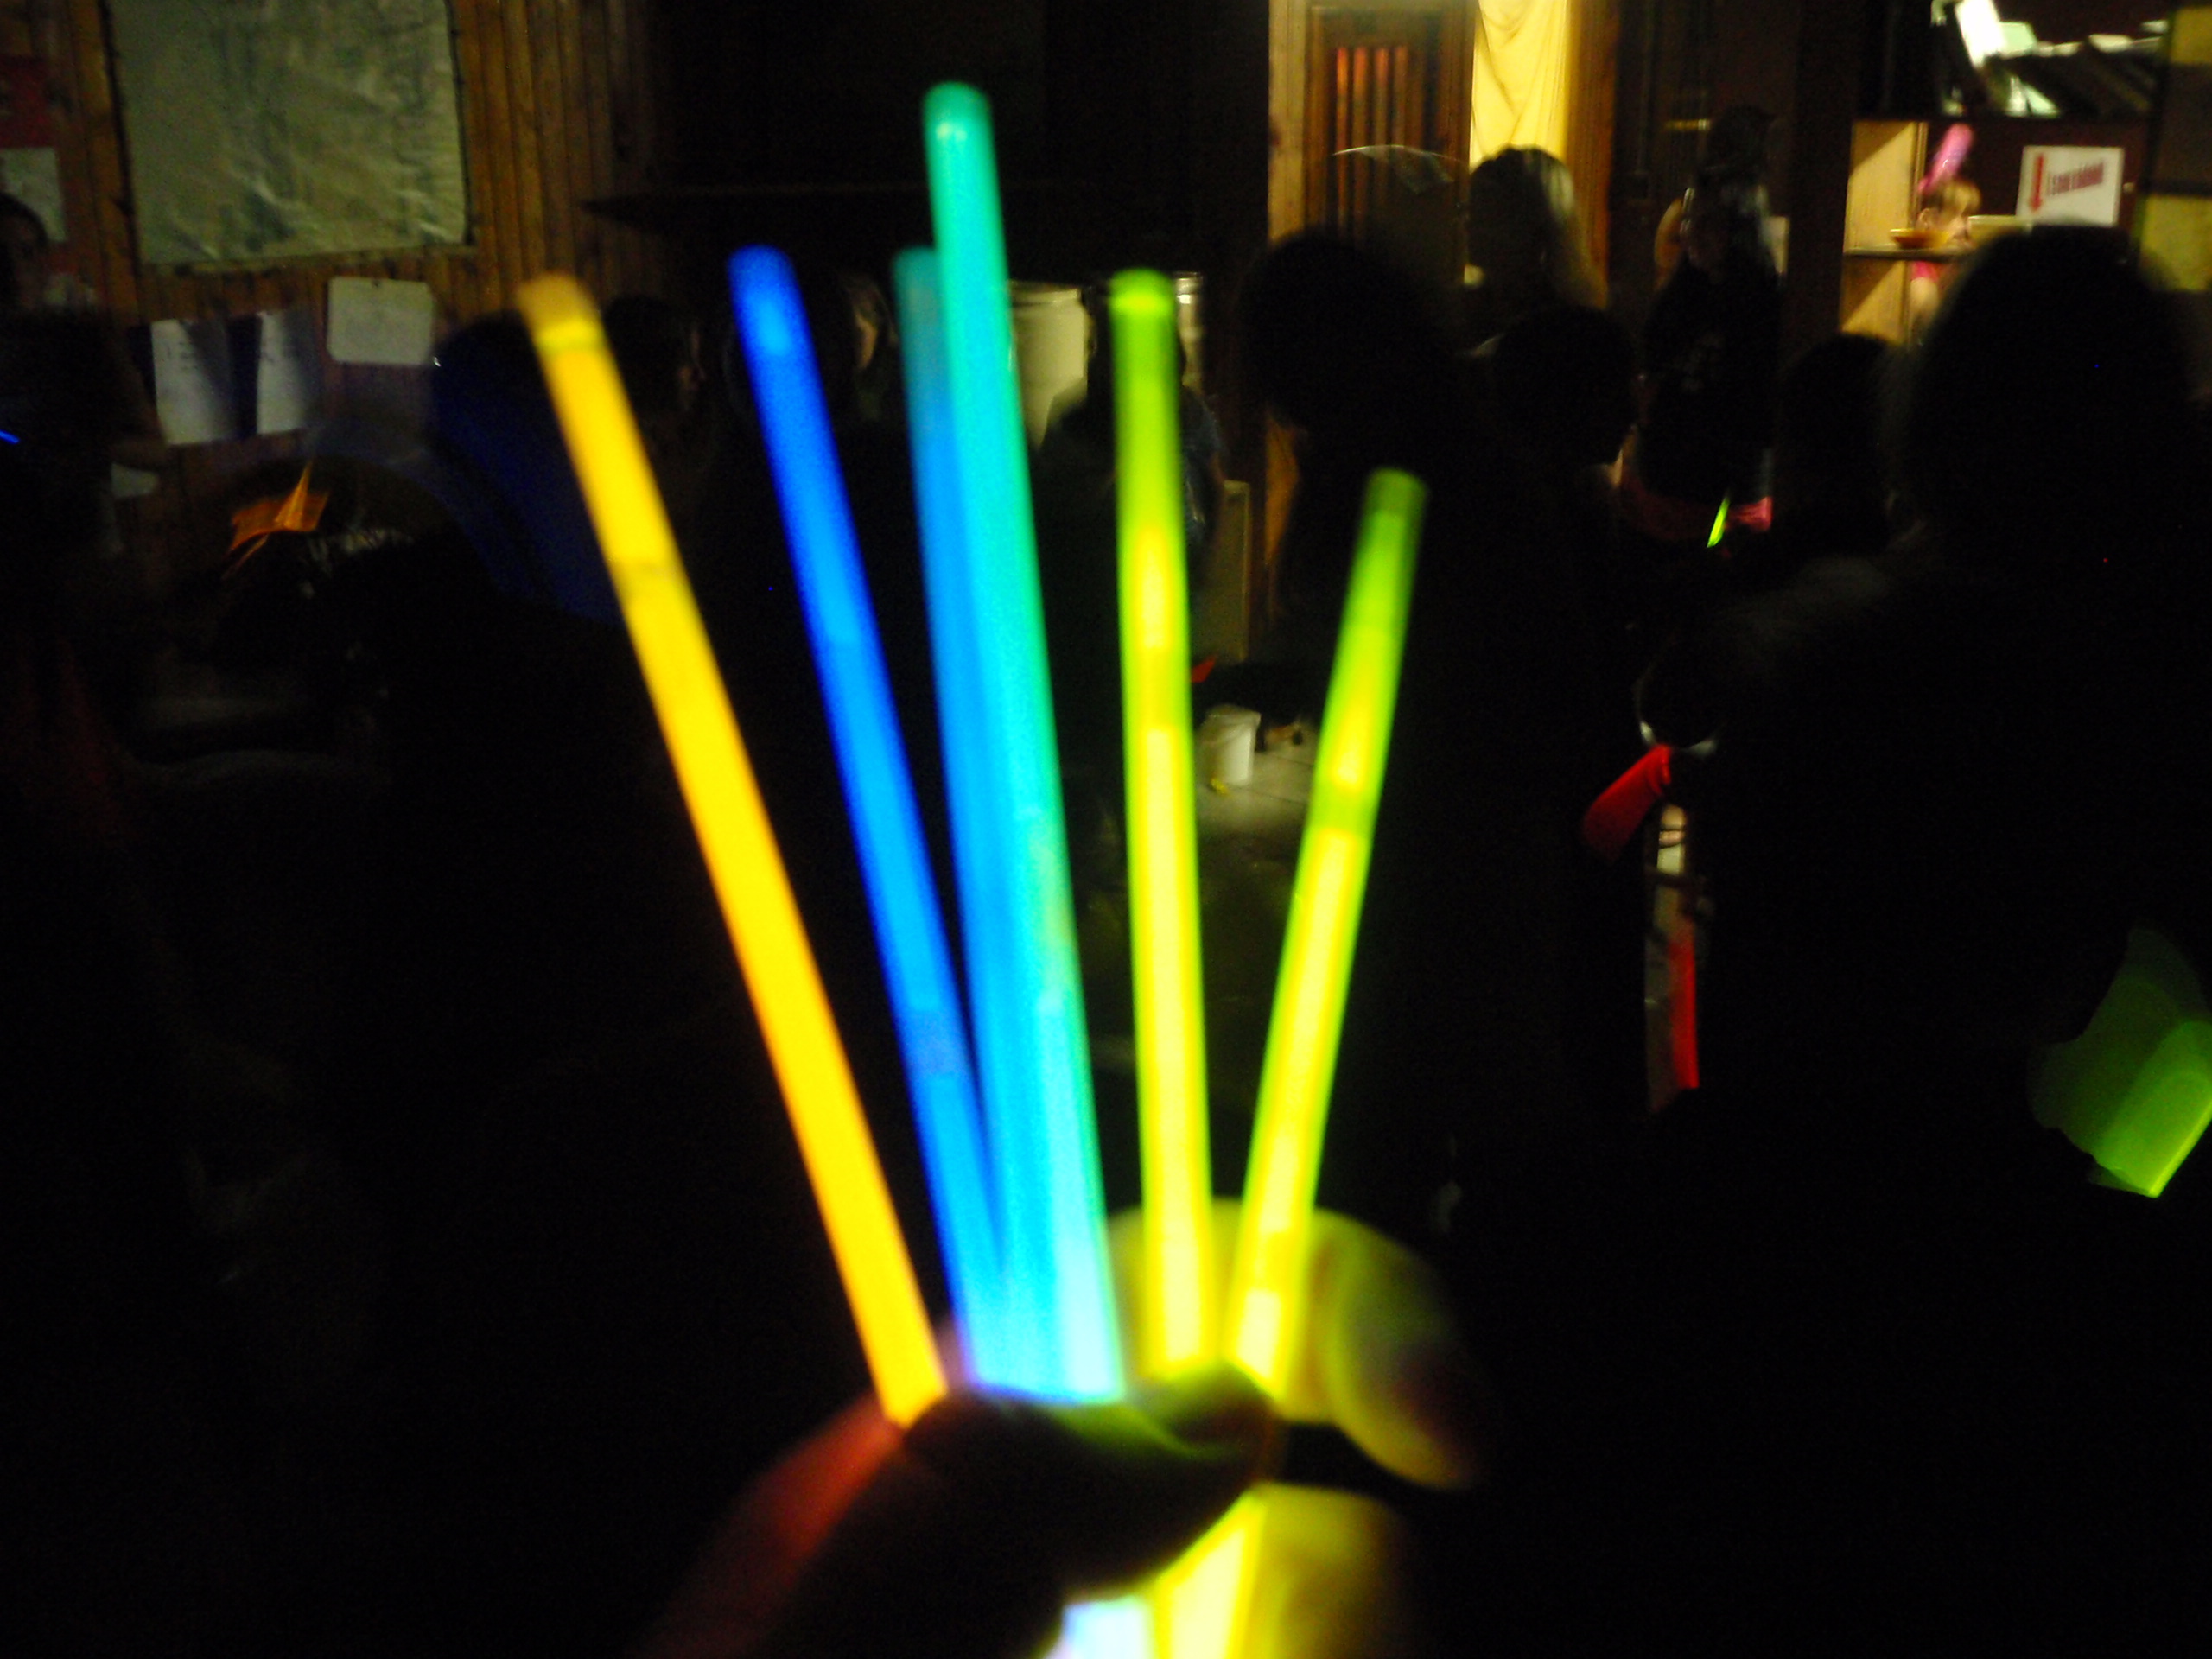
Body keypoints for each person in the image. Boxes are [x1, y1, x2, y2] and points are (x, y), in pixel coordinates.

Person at [1460, 149, 1605, 353]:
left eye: (1485, 212)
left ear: (1530, 225)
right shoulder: (1465, 310)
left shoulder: (1572, 333)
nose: (1468, 225)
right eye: (1469, 210)